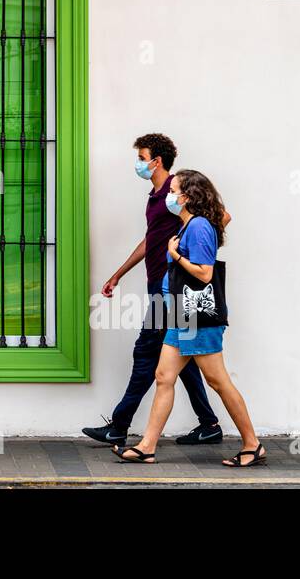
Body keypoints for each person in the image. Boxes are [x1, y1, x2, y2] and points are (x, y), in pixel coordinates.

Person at [114, 169, 265, 468]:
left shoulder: (198, 227)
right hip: (181, 314)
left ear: (188, 196)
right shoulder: (188, 226)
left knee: (217, 381)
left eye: (174, 190)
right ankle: (147, 446)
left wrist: (175, 254)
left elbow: (205, 273)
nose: (169, 195)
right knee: (163, 377)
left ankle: (252, 444)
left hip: (197, 315)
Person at [82, 134, 222, 448]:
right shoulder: (157, 197)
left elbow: (220, 216)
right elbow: (150, 240)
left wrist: (187, 254)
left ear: (156, 161)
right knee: (183, 354)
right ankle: (209, 424)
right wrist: (118, 273)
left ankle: (119, 425)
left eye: (142, 157)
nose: (139, 163)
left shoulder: (179, 190)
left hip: (173, 289)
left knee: (146, 352)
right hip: (159, 285)